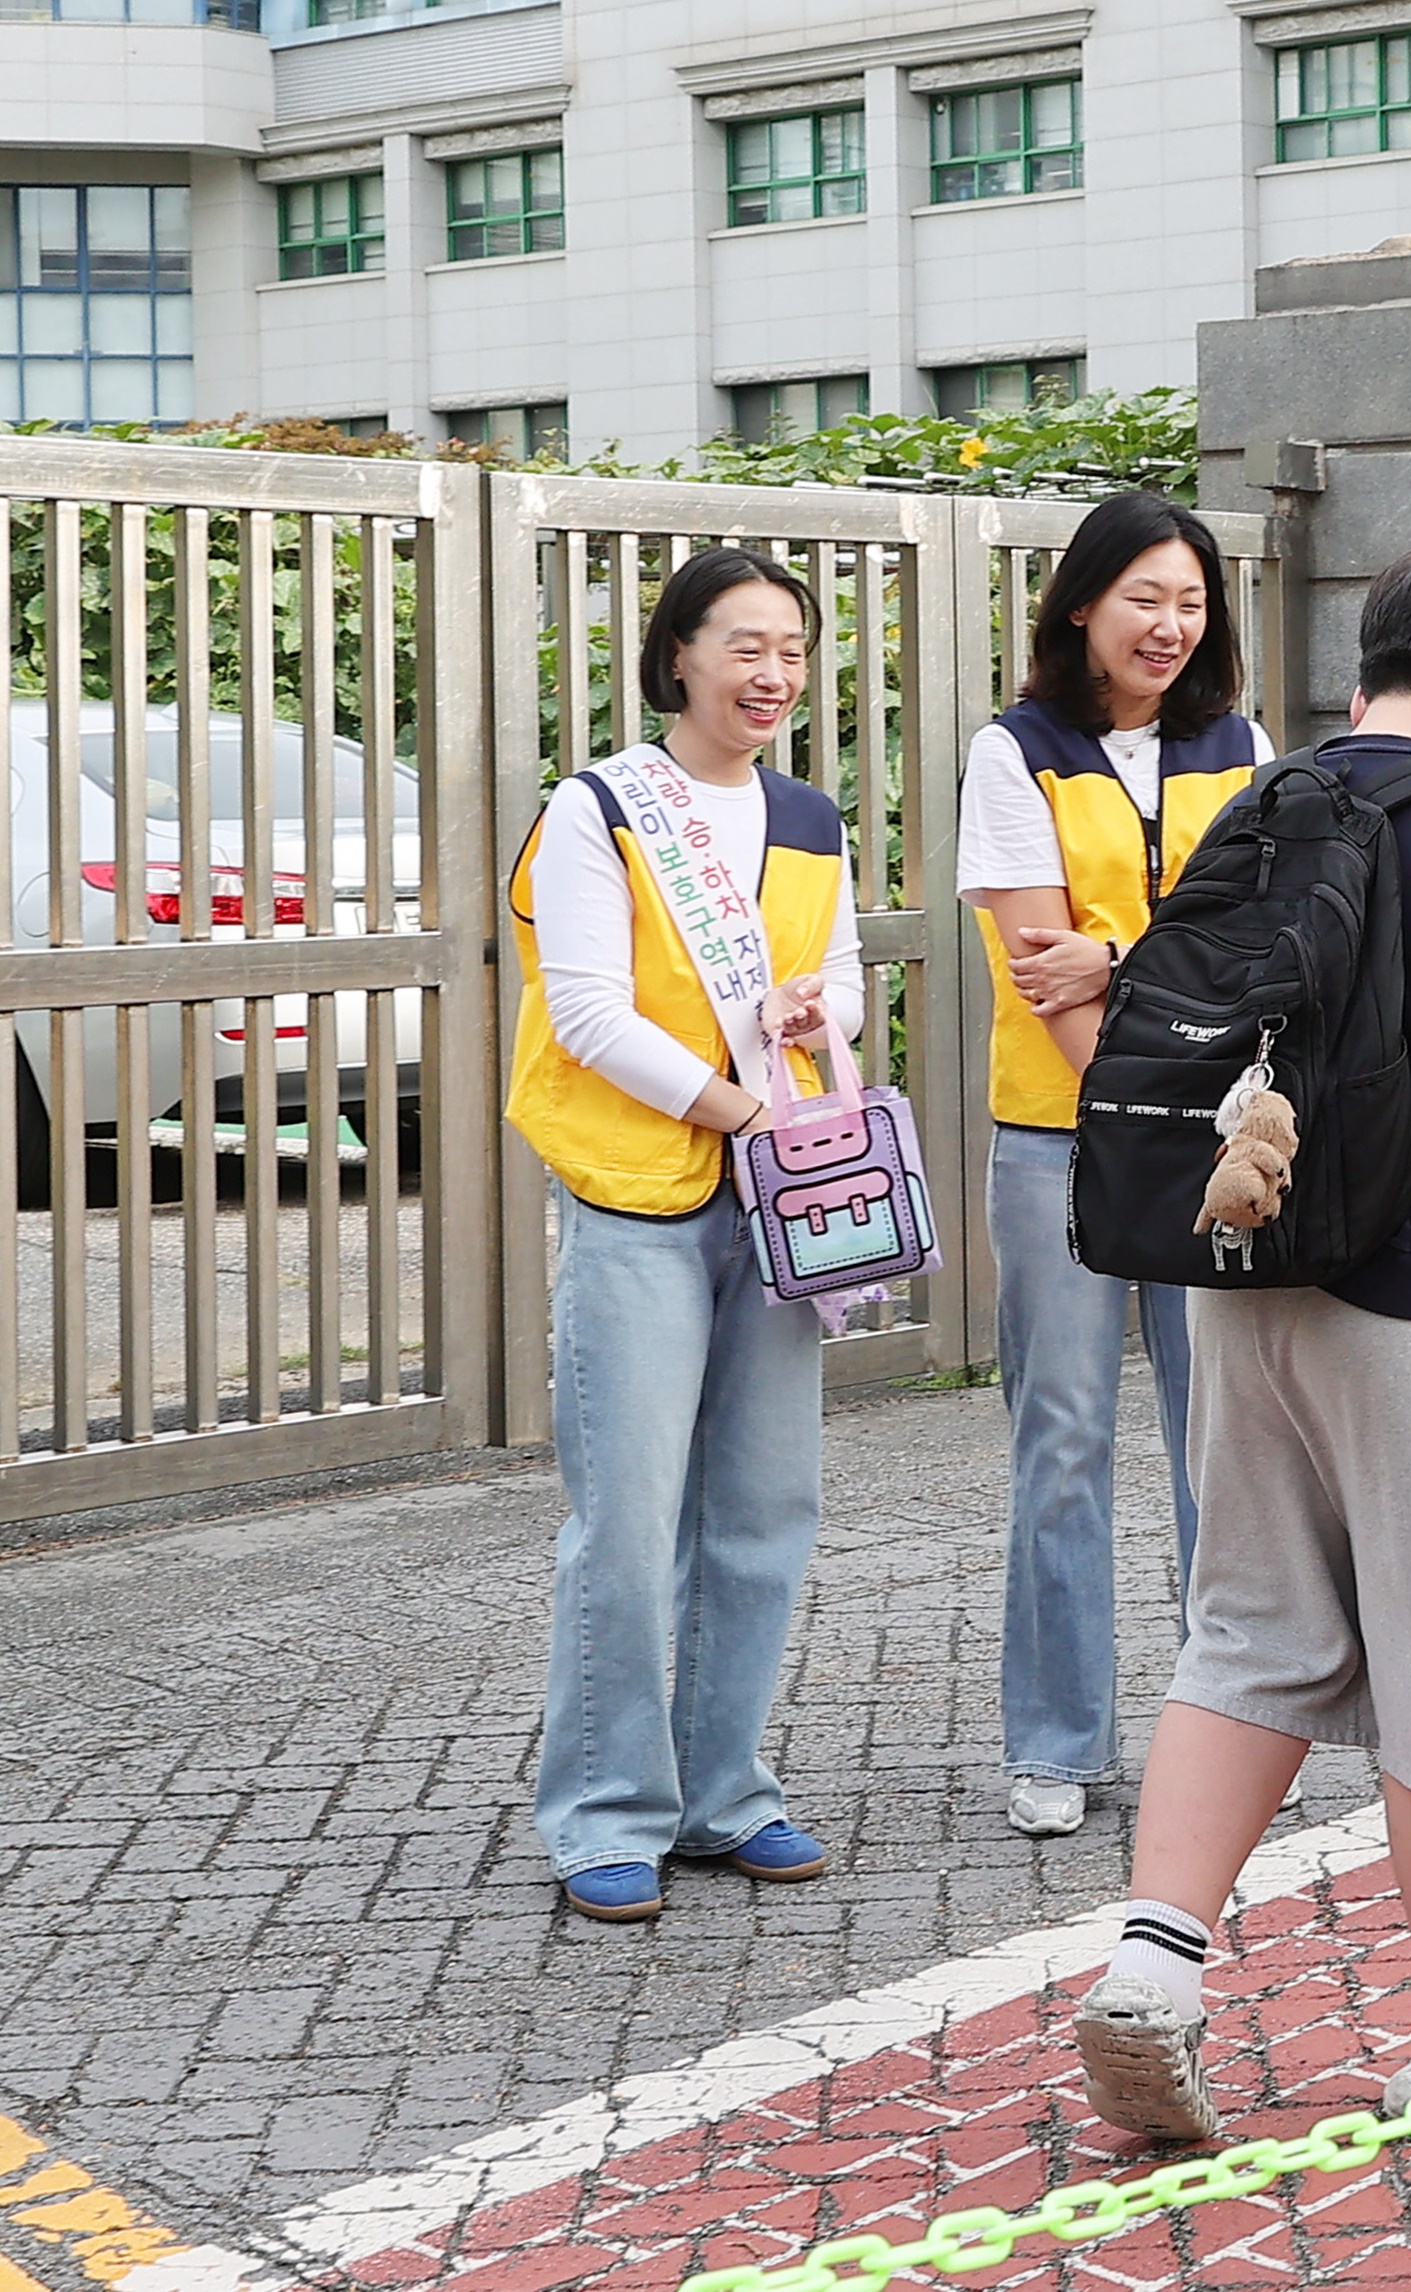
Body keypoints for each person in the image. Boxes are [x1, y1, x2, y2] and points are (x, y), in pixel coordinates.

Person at [1071, 552, 1411, 2143]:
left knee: (1246, 1636)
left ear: (1370, 673)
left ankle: (1152, 1972)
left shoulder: (1262, 808)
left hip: (1242, 1287)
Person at [508, 546, 863, 1922]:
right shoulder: (599, 808)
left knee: (765, 1508)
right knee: (631, 1518)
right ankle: (607, 1809)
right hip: (641, 1195)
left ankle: (725, 1794)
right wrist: (739, 1107)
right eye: (744, 646)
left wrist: (810, 1014)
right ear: (679, 658)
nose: (772, 674)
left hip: (778, 1203)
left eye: (792, 650)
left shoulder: (809, 818)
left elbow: (839, 982)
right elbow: (589, 1013)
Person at [956, 494, 1270, 1839]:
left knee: (1225, 1439)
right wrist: (1144, 1069)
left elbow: (1264, 942)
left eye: (1190, 600)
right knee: (1064, 1437)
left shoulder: (1239, 748)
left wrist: (1123, 956)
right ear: (1080, 603)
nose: (1169, 624)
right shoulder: (1012, 753)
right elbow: (1041, 971)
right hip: (1060, 1146)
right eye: (1145, 595)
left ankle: (1233, 1719)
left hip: (1217, 1148)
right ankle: (1054, 1743)